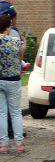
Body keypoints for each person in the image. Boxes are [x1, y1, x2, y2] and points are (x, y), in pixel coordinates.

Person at [0, 14, 24, 154]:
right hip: (14, 80)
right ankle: (19, 143)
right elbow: (20, 59)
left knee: (1, 113)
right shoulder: (16, 42)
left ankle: (3, 144)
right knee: (15, 112)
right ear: (8, 27)